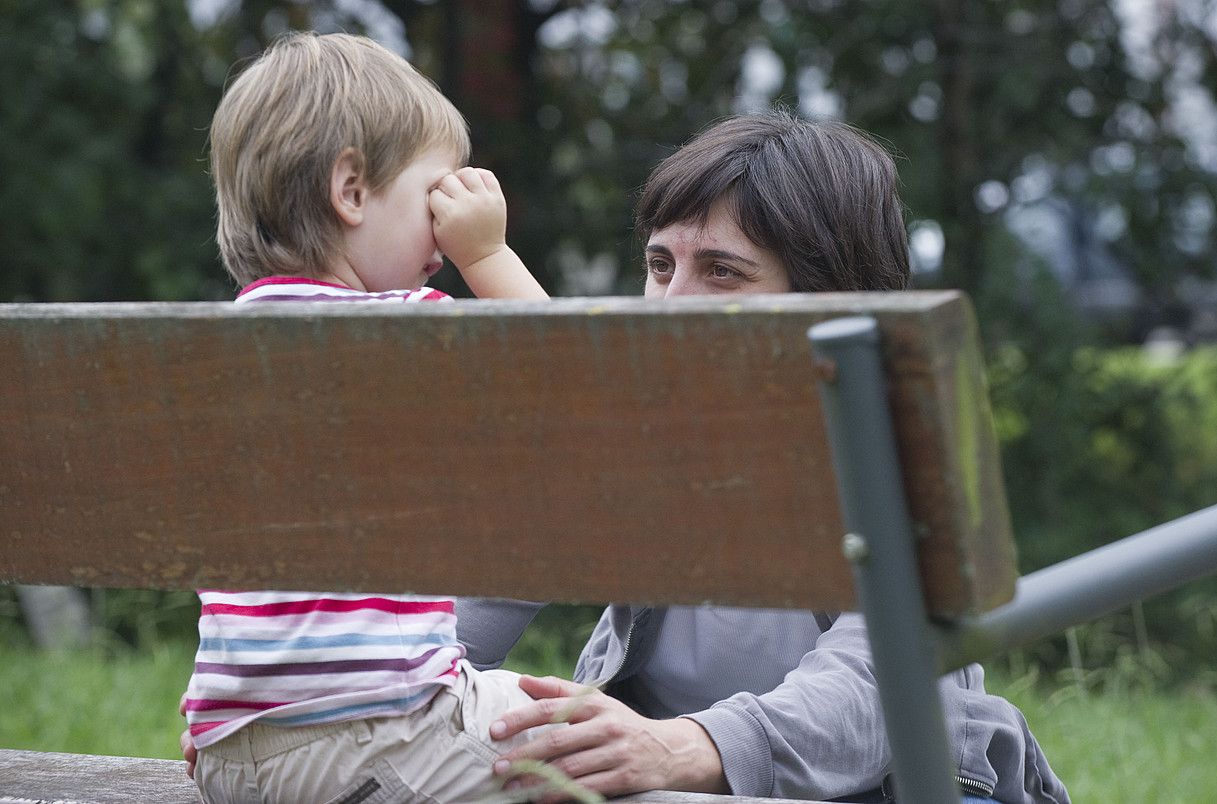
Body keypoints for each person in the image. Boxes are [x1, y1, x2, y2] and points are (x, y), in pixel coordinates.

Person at [455, 112, 1071, 804]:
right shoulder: (623, 441)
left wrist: (690, 745)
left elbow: (881, 686)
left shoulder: (884, 456)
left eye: (721, 272)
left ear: (827, 298)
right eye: (660, 266)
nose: (670, 303)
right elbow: (456, 627)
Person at [182, 31, 554, 804]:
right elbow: (575, 374)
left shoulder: (201, 358)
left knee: (536, 701)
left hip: (227, 748)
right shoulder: (401, 330)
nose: (447, 230)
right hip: (381, 735)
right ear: (350, 190)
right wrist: (487, 254)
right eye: (436, 197)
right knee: (588, 738)